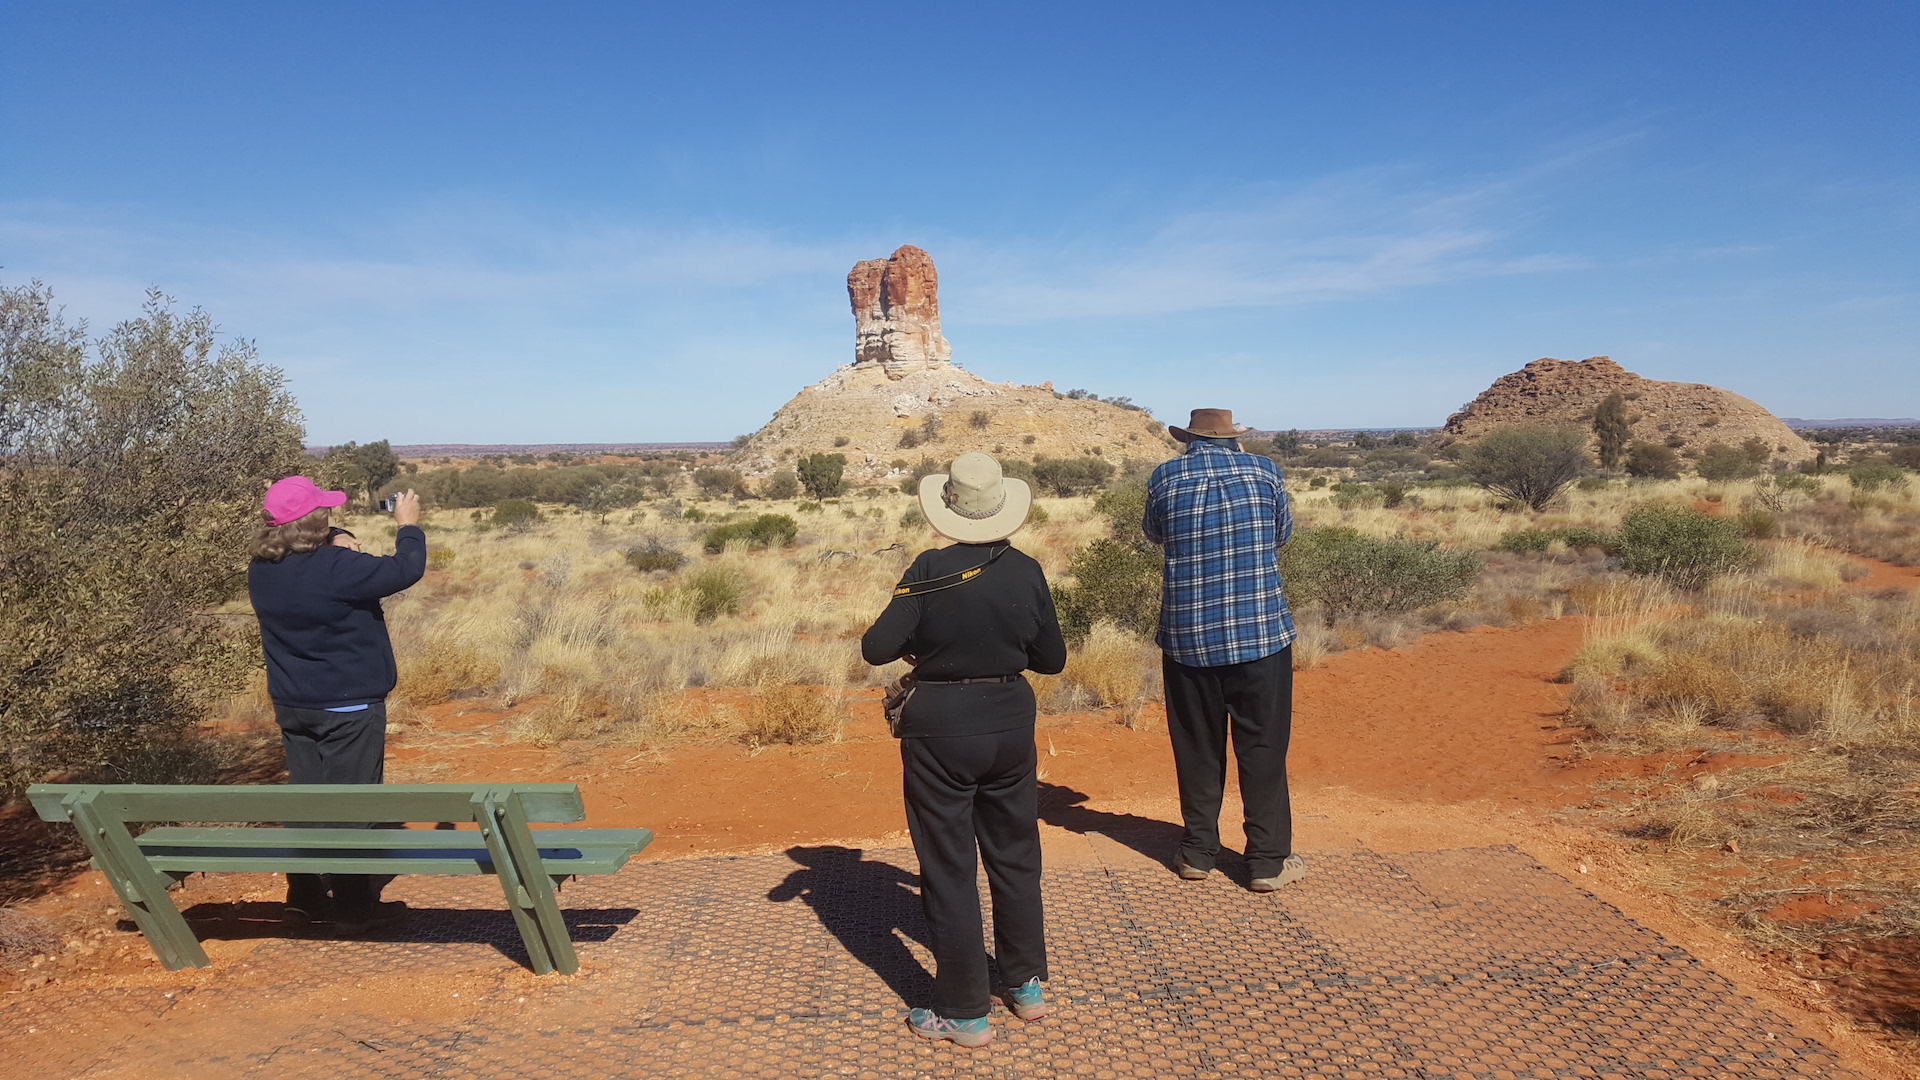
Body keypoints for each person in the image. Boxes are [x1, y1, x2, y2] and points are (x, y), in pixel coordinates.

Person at [861, 452, 1067, 1048]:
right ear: (1001, 504)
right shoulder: (1026, 569)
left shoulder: (928, 567)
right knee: (1015, 854)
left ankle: (965, 1014)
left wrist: (928, 646)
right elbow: (1051, 660)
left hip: (939, 732)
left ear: (948, 507)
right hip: (1009, 726)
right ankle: (1025, 986)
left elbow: (877, 647)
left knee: (949, 867)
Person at [248, 475, 426, 931]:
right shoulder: (338, 569)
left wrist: (335, 539)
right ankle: (353, 908)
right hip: (348, 708)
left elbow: (310, 563)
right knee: (353, 807)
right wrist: (408, 526)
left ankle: (304, 897)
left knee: (307, 801)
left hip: (294, 704)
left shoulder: (262, 568)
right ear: (315, 520)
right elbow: (405, 569)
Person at [1144, 409, 1306, 893]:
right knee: (1263, 747)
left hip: (1188, 637)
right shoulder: (1264, 471)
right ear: (1233, 438)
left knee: (1196, 747)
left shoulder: (1165, 476)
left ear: (1189, 439)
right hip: (1260, 635)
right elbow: (1282, 535)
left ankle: (1197, 851)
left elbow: (1155, 534)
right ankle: (1267, 861)